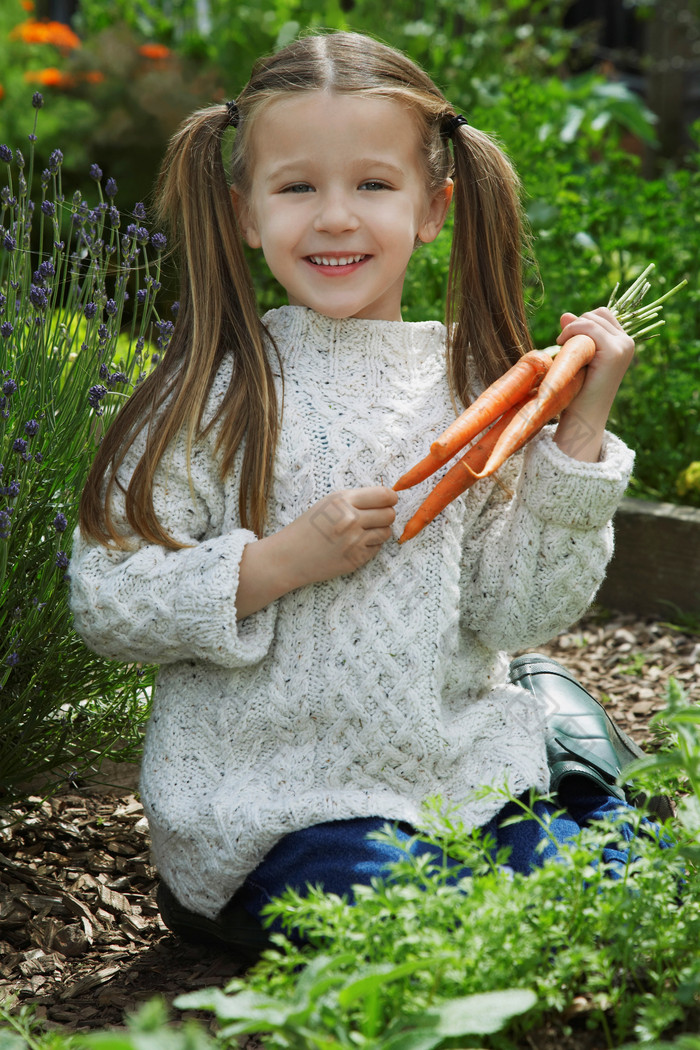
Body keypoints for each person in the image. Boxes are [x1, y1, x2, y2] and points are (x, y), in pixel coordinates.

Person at [69, 30, 668, 962]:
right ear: (243, 211)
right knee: (418, 928)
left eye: (374, 186)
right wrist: (272, 566)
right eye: (298, 186)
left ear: (434, 209)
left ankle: (568, 788)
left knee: (603, 896)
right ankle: (567, 781)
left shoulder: (477, 384)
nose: (336, 218)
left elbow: (521, 607)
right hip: (276, 815)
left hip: (461, 786)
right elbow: (105, 600)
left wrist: (577, 436)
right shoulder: (214, 391)